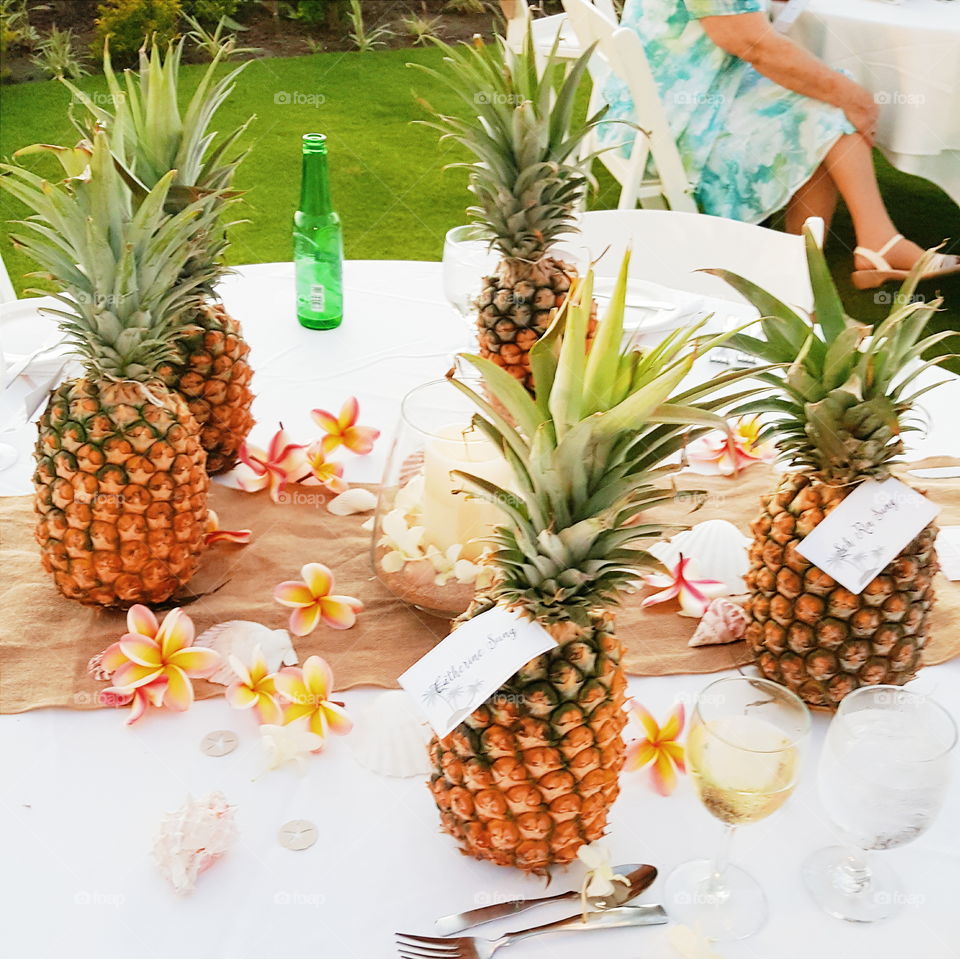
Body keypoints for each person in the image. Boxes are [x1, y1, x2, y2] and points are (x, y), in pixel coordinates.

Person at [599, 0, 960, 288]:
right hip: (672, 123)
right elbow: (751, 44)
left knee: (822, 103)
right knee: (830, 103)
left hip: (666, 100)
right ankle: (807, 280)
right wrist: (851, 96)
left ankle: (851, 252)